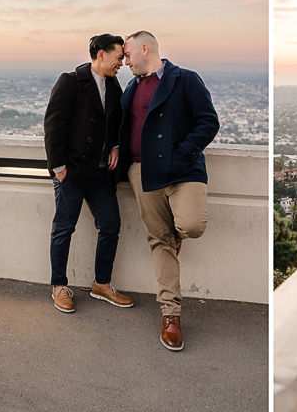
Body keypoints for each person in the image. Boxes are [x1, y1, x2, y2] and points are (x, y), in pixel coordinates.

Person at [117, 31, 219, 351]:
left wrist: (182, 154)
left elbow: (208, 122)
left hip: (183, 171)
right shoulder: (131, 88)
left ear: (144, 48)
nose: (125, 61)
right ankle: (170, 314)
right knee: (159, 241)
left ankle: (175, 232)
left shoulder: (185, 79)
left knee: (192, 225)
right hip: (143, 173)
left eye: (128, 54)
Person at [43, 33, 134, 313]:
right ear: (101, 54)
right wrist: (59, 168)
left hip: (100, 172)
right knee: (64, 228)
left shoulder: (114, 84)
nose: (122, 63)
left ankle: (101, 284)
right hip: (72, 171)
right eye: (119, 57)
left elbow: (117, 122)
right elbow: (53, 125)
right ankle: (59, 285)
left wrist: (116, 146)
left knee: (111, 225)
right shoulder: (71, 81)